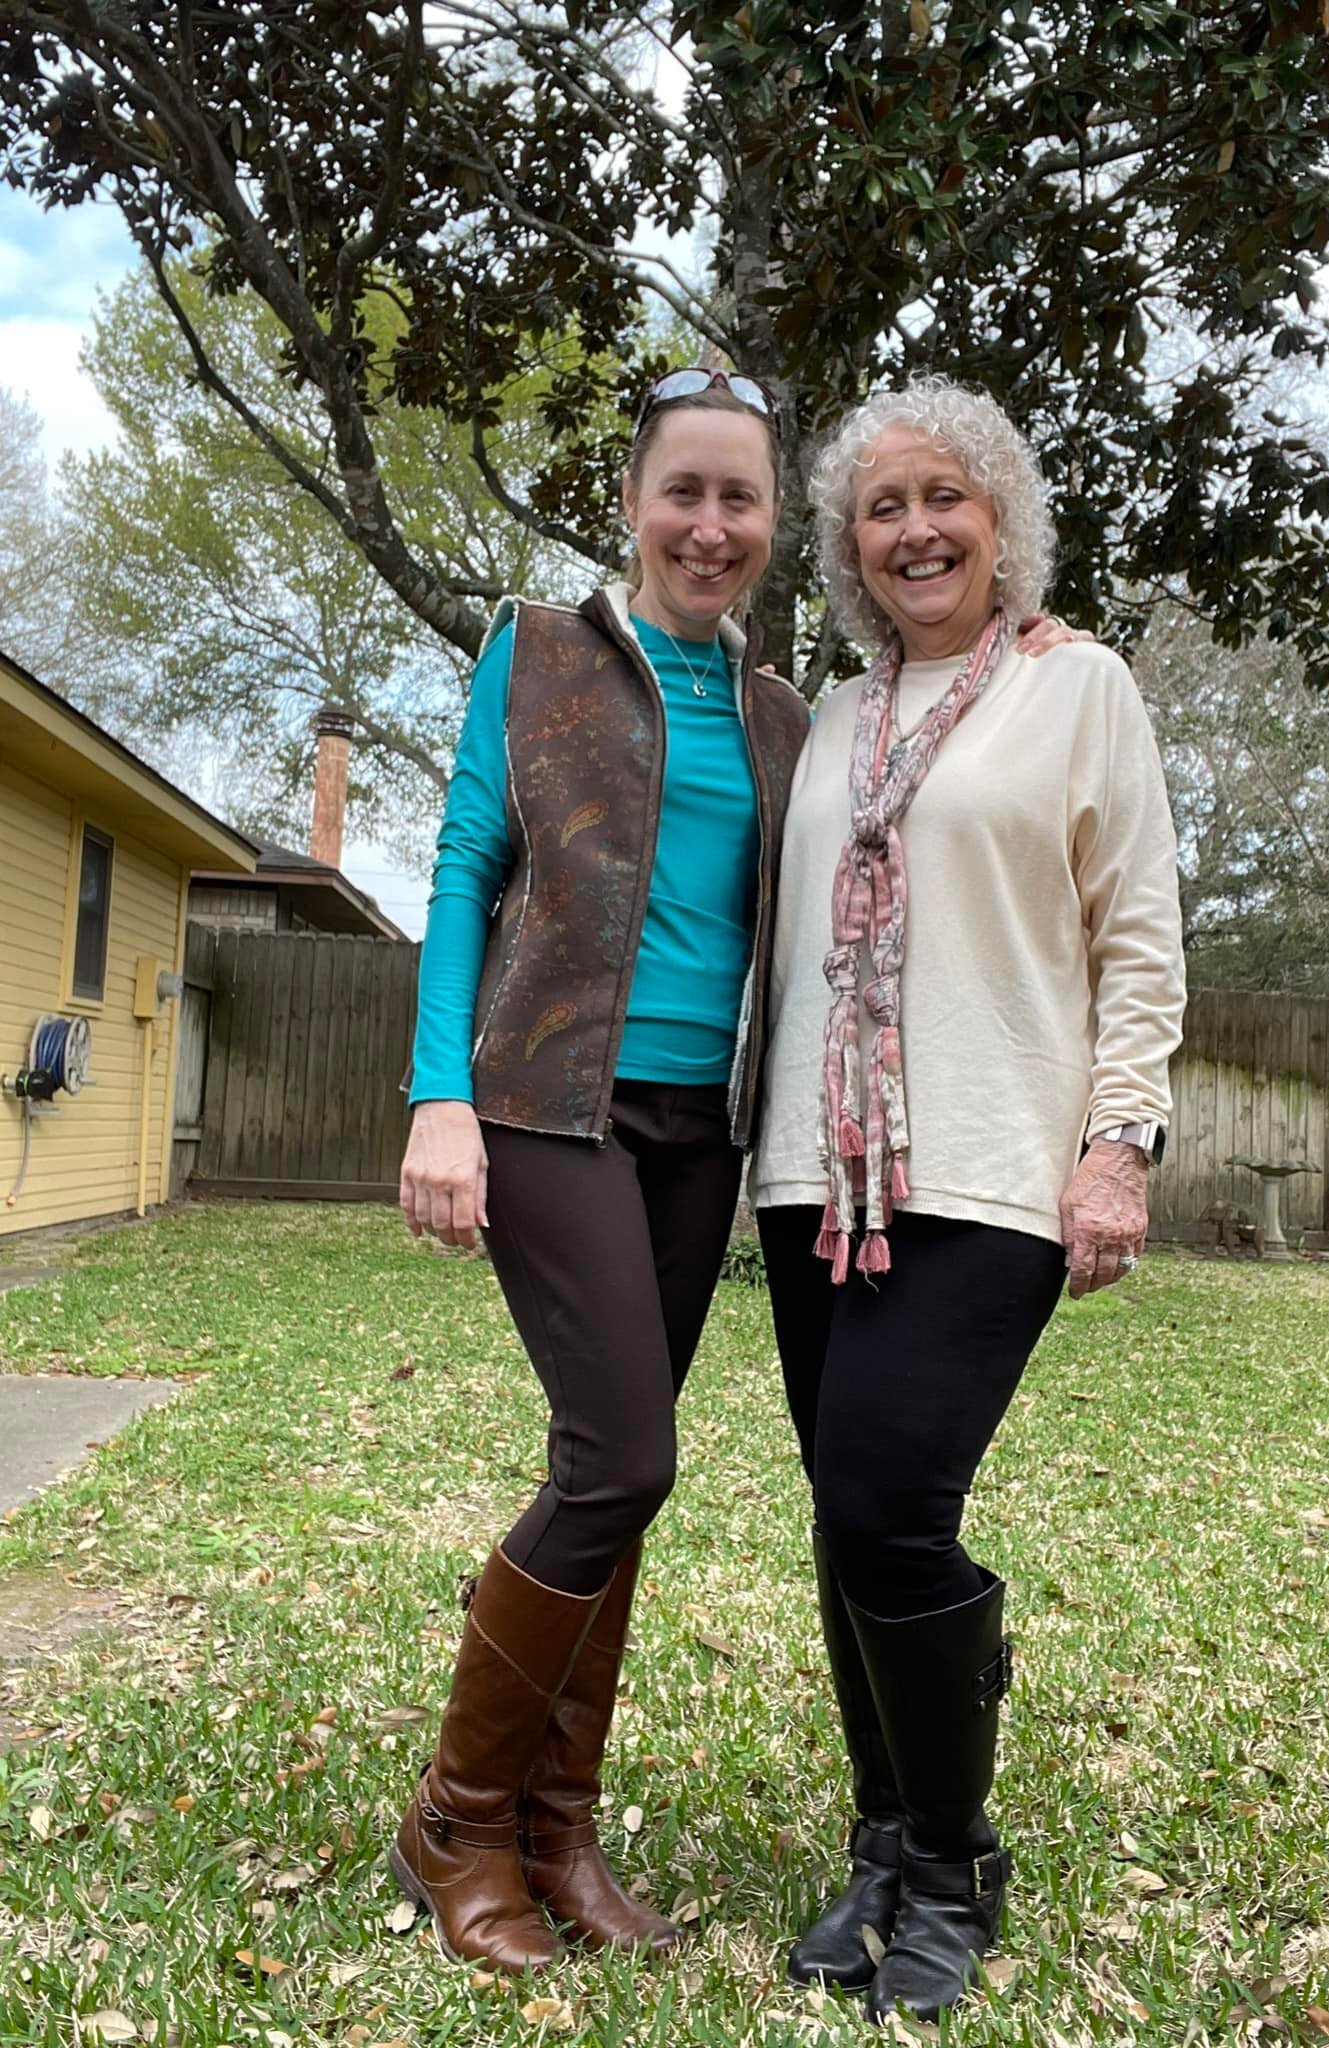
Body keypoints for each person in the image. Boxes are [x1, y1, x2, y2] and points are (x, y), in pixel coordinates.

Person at [750, 377, 1186, 2023]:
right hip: (812, 1171)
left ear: (1002, 520)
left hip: (993, 1165)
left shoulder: (1081, 691)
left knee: (885, 1503)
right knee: (840, 1513)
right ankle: (883, 1835)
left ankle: (950, 1857)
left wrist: (1119, 1142)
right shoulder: (831, 720)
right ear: (848, 544)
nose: (915, 529)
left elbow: (1136, 930)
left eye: (947, 498)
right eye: (881, 506)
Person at [391, 368, 810, 1972]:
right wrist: (442, 1100)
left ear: (773, 527)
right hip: (550, 1107)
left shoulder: (784, 715)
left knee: (611, 1487)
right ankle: (456, 1817)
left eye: (741, 500)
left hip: (699, 1133)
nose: (710, 526)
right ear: (634, 502)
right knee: (623, 1455)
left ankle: (557, 1832)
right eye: (683, 492)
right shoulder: (538, 651)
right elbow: (458, 875)